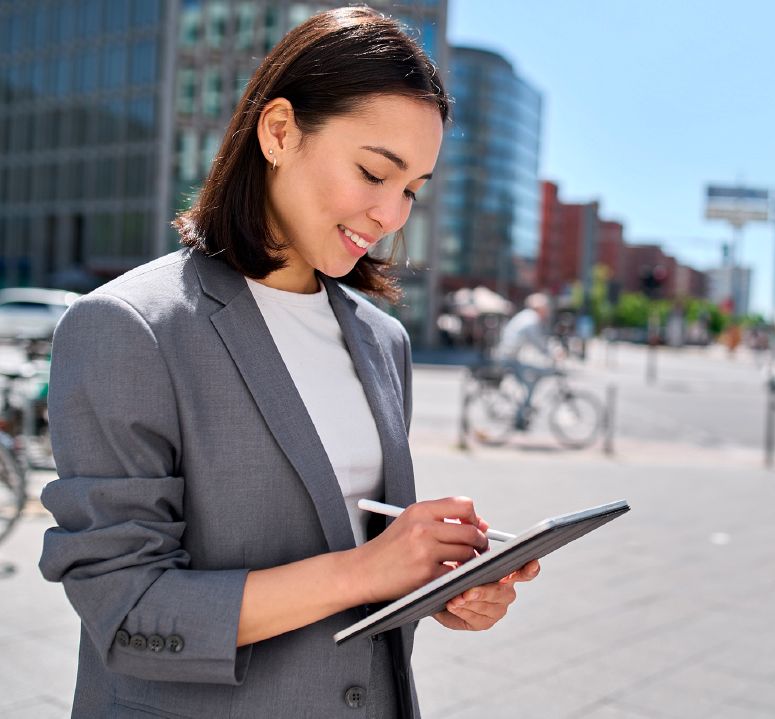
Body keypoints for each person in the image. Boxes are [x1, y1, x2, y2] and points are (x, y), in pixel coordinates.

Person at [38, 8, 538, 719]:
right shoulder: (129, 327)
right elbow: (127, 612)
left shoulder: (381, 339)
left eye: (412, 190)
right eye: (373, 171)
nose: (391, 214)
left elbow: (354, 555)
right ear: (278, 131)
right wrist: (367, 569)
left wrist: (434, 583)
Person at [494, 293, 560, 426]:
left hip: (509, 356)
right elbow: (537, 341)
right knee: (529, 381)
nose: (547, 312)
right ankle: (521, 416)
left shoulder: (527, 316)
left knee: (531, 377)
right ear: (539, 308)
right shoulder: (531, 319)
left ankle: (524, 412)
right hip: (508, 358)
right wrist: (553, 353)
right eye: (545, 308)